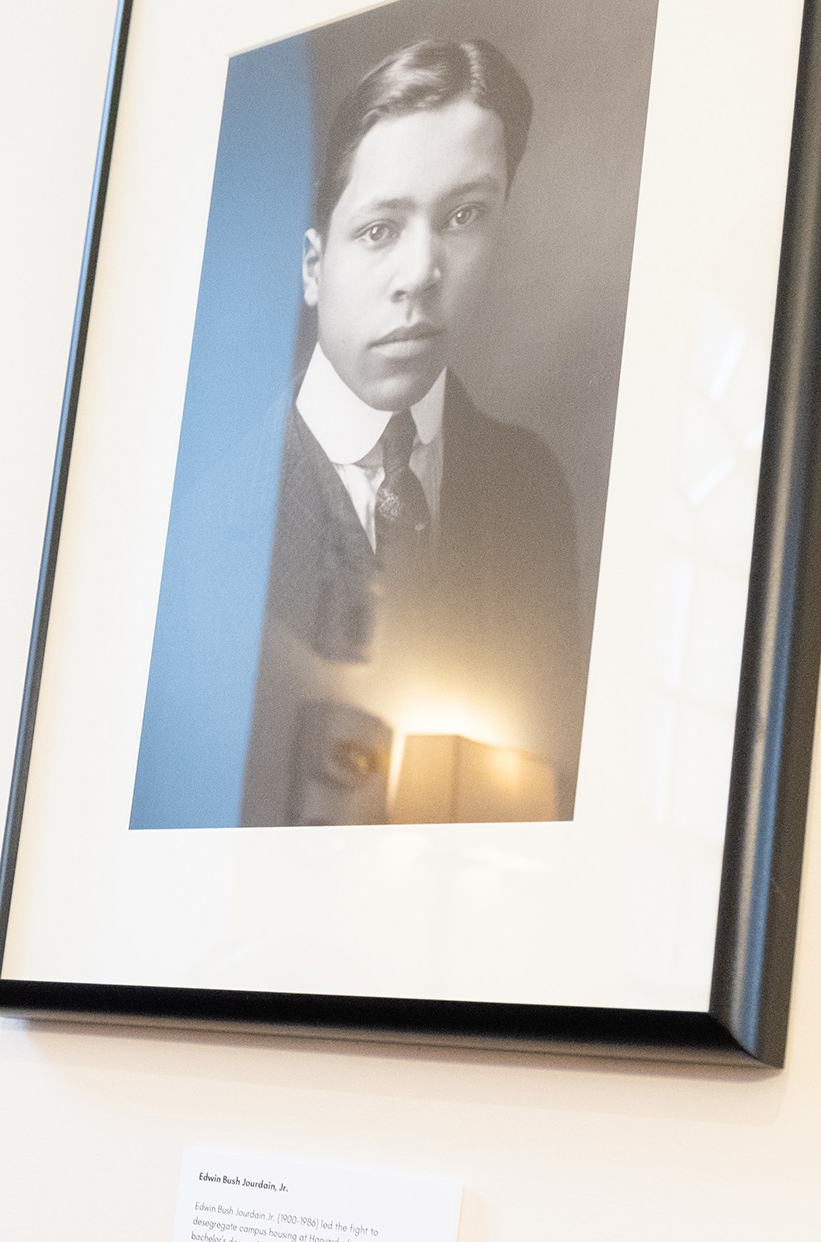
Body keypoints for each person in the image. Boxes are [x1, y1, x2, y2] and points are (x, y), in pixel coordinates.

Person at [241, 37, 590, 827]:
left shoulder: (531, 490)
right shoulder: (212, 509)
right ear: (311, 265)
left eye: (464, 216)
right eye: (379, 230)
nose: (422, 273)